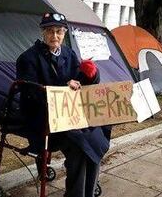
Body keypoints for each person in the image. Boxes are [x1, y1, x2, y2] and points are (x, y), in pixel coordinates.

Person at [16, 12, 111, 197]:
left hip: (70, 115)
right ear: (42, 33)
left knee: (98, 133)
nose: (54, 36)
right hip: (43, 118)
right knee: (80, 146)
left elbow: (80, 84)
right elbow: (31, 94)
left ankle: (87, 191)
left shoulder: (68, 53)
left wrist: (91, 74)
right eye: (50, 31)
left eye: (59, 31)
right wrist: (63, 88)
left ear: (64, 33)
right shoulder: (28, 58)